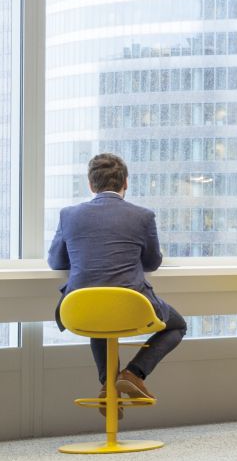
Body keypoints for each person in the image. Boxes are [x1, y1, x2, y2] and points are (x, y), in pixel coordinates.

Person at [47, 152, 187, 401]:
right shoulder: (143, 216)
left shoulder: (69, 215)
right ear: (126, 183)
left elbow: (56, 261)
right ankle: (133, 374)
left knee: (98, 319)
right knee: (178, 325)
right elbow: (152, 262)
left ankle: (108, 387)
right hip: (131, 306)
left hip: (80, 307)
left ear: (91, 185)